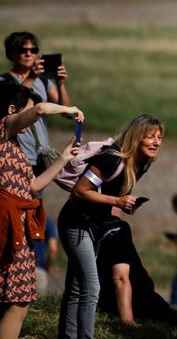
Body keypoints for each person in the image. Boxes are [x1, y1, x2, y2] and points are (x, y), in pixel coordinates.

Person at [57, 114, 164, 339]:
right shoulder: (111, 159)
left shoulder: (142, 163)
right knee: (91, 288)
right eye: (150, 137)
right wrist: (117, 201)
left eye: (160, 137)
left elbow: (112, 193)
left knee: (77, 289)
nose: (156, 142)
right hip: (77, 223)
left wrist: (125, 204)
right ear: (137, 137)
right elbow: (80, 190)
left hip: (96, 225)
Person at [0, 82, 83, 339]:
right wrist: (68, 109)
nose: (31, 123)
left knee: (15, 298)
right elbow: (40, 110)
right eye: (25, 111)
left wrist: (63, 159)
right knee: (19, 301)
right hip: (8, 225)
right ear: (12, 109)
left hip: (18, 227)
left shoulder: (12, 145)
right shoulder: (3, 127)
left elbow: (33, 185)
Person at [1, 31, 73, 177]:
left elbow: (66, 113)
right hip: (15, 151)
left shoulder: (44, 82)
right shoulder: (4, 82)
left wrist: (60, 84)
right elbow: (15, 100)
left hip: (39, 155)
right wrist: (31, 77)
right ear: (11, 54)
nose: (29, 54)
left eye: (33, 50)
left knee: (35, 199)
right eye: (23, 50)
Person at [97, 219, 171, 324]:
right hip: (140, 303)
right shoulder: (116, 227)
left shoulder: (80, 227)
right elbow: (120, 279)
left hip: (102, 301)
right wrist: (127, 320)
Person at [34, 213, 59, 294]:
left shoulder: (18, 216)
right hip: (39, 268)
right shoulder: (47, 221)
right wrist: (49, 265)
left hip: (19, 268)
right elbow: (53, 248)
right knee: (38, 303)